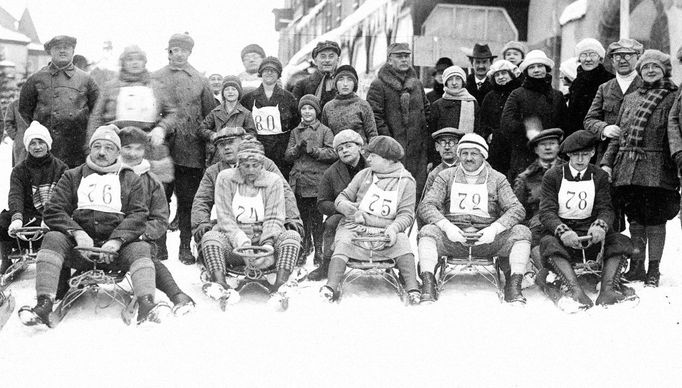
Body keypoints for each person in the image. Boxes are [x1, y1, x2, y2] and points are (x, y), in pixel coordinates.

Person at [19, 125, 165, 327]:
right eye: (97, 146)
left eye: (109, 147)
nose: (102, 152)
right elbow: (53, 210)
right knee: (53, 238)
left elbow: (138, 215)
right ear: (90, 149)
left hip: (115, 253)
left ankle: (146, 305)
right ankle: (44, 304)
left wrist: (116, 240)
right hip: (79, 252)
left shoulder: (130, 178)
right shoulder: (72, 176)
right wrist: (77, 233)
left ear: (117, 152)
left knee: (141, 248)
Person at [417, 133, 531, 304]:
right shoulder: (446, 176)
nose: (468, 158)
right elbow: (426, 205)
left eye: (474, 153)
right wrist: (447, 227)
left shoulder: (497, 179)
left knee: (522, 232)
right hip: (453, 239)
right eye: (464, 153)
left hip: (487, 240)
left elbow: (517, 209)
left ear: (483, 156)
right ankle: (428, 284)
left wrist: (495, 229)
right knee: (427, 232)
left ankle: (514, 285)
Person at [601, 50, 679, 288]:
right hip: (628, 167)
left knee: (655, 219)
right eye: (646, 68)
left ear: (665, 70)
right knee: (635, 217)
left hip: (658, 167)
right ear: (640, 71)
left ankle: (654, 269)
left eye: (656, 67)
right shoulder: (631, 97)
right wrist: (607, 162)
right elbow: (619, 133)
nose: (651, 71)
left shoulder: (673, 96)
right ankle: (637, 266)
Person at [538, 130, 635, 309]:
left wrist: (600, 226)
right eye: (575, 155)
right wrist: (563, 231)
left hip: (591, 234)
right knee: (548, 244)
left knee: (620, 240)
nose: (580, 160)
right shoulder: (553, 176)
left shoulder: (599, 176)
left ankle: (608, 290)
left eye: (585, 154)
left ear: (592, 153)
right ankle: (575, 290)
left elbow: (605, 208)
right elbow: (546, 212)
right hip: (565, 234)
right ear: (568, 155)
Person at [320, 136, 420, 305]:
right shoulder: (364, 174)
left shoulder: (406, 181)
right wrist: (346, 207)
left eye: (374, 155)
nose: (368, 158)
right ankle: (331, 286)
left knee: (402, 243)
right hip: (356, 226)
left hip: (386, 229)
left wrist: (395, 228)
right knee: (343, 241)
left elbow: (406, 214)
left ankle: (412, 288)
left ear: (388, 159)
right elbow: (342, 197)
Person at [200, 139, 301, 304]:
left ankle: (281, 284)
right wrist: (243, 243)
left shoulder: (273, 181)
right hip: (236, 243)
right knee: (210, 238)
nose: (251, 170)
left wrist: (267, 245)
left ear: (262, 164)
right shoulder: (225, 178)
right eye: (246, 165)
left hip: (265, 241)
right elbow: (225, 216)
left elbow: (274, 216)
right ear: (239, 164)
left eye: (256, 165)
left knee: (291, 237)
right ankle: (221, 284)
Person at [192, 127, 303, 265]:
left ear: (242, 141)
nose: (226, 148)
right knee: (210, 239)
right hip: (231, 227)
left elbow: (285, 193)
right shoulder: (214, 172)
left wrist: (292, 218)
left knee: (288, 237)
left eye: (231, 142)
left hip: (264, 227)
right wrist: (201, 223)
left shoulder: (264, 164)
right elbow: (201, 200)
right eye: (221, 145)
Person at [153, 33, 218, 265]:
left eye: (183, 50)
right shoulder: (156, 77)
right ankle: (158, 246)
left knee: (188, 199)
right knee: (159, 198)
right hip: (161, 149)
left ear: (190, 53)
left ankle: (184, 247)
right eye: (173, 50)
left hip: (191, 150)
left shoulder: (200, 79)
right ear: (168, 52)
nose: (178, 54)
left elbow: (210, 115)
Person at [118, 127, 195, 314]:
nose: (133, 153)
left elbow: (160, 218)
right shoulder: (108, 174)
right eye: (127, 147)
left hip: (137, 238)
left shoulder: (151, 181)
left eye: (138, 148)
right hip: (105, 236)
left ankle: (175, 295)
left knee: (144, 253)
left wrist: (139, 234)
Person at [87, 45, 177, 183]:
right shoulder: (110, 86)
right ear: (123, 62)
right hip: (116, 142)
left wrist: (161, 128)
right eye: (130, 59)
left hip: (148, 145)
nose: (135, 63)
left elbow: (172, 113)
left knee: (151, 187)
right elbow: (96, 117)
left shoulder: (156, 86)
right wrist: (92, 145)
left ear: (144, 62)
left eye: (139, 59)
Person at [19, 35, 100, 168]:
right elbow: (24, 109)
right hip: (47, 145)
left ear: (73, 51)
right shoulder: (36, 79)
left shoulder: (86, 79)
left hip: (76, 146)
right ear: (50, 52)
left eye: (66, 47)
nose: (62, 51)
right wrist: (40, 129)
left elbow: (97, 110)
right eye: (57, 48)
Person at [0, 122, 68, 275]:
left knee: (64, 226)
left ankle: (60, 263)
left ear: (48, 144)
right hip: (29, 214)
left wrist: (50, 216)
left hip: (52, 214)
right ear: (27, 147)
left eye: (41, 142)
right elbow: (15, 195)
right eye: (33, 143)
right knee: (2, 221)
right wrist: (17, 218)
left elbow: (63, 196)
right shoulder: (19, 170)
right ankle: (6, 259)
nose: (37, 147)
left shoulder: (61, 168)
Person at [367, 42, 430, 199]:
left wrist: (422, 139)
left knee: (416, 193)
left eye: (407, 56)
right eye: (399, 56)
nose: (404, 60)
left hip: (417, 151)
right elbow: (375, 117)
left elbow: (427, 111)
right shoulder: (378, 85)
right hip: (391, 152)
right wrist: (389, 144)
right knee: (392, 193)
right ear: (389, 60)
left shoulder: (417, 84)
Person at [500, 49, 568, 182]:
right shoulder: (517, 94)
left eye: (540, 66)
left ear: (546, 69)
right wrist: (530, 132)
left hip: (552, 157)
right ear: (526, 72)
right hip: (524, 158)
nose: (536, 70)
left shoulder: (557, 96)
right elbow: (507, 123)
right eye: (532, 67)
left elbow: (565, 126)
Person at [284, 95, 337, 266]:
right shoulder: (295, 132)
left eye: (310, 109)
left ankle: (319, 251)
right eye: (304, 109)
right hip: (299, 182)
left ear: (316, 111)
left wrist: (314, 150)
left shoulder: (325, 131)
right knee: (302, 217)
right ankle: (304, 248)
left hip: (317, 183)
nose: (307, 112)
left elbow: (333, 153)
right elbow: (287, 156)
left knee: (317, 218)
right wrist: (297, 149)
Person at [313, 130, 366, 281]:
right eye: (340, 149)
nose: (345, 151)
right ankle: (327, 265)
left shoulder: (374, 166)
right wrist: (341, 208)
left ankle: (398, 266)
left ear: (359, 147)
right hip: (343, 215)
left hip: (374, 213)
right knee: (330, 223)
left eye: (348, 146)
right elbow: (322, 202)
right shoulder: (331, 172)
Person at [584, 38, 644, 164]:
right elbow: (589, 120)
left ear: (638, 58)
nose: (622, 60)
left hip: (637, 156)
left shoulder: (645, 85)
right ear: (611, 61)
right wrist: (604, 129)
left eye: (628, 56)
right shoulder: (605, 88)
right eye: (617, 56)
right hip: (607, 157)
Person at [241, 56, 299, 181]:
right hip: (257, 146)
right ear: (260, 73)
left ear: (278, 75)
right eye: (266, 70)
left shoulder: (289, 98)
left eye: (273, 70)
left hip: (281, 149)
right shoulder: (248, 98)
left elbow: (296, 124)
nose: (269, 73)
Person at [513, 128, 564, 266]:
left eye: (552, 143)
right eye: (543, 144)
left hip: (569, 217)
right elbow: (517, 210)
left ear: (559, 146)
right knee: (535, 236)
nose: (548, 147)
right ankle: (545, 273)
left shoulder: (570, 171)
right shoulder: (525, 178)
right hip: (538, 223)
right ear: (536, 150)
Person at [199, 75, 256, 166]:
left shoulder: (245, 113)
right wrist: (214, 135)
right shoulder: (215, 112)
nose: (230, 92)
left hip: (238, 155)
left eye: (233, 89)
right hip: (218, 155)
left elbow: (252, 134)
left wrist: (240, 134)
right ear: (223, 93)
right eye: (226, 89)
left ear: (239, 92)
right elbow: (202, 129)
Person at [428, 65, 479, 165]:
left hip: (467, 157)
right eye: (450, 79)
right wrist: (432, 159)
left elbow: (478, 131)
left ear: (463, 82)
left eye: (458, 79)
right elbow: (431, 134)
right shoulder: (437, 105)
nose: (454, 83)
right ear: (445, 82)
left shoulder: (472, 103)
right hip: (442, 157)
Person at [480, 60, 522, 173]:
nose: (500, 77)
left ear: (511, 74)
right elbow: (483, 120)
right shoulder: (490, 97)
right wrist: (488, 134)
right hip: (496, 146)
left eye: (504, 73)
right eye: (497, 75)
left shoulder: (519, 93)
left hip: (516, 144)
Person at [566, 38, 614, 135]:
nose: (588, 59)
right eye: (584, 55)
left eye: (592, 55)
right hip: (577, 137)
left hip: (601, 135)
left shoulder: (610, 80)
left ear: (600, 59)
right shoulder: (576, 83)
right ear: (579, 59)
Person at [320, 65, 377, 142]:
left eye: (349, 80)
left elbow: (372, 135)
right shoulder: (328, 107)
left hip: (360, 152)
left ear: (355, 84)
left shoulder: (363, 105)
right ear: (336, 83)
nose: (345, 84)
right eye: (341, 79)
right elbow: (325, 137)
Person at [293, 40, 341, 109]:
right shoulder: (302, 85)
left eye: (331, 56)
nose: (327, 60)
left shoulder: (344, 83)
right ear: (315, 61)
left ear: (337, 60)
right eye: (323, 56)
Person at [3, 86, 29, 166]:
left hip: (35, 140)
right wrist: (15, 136)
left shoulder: (36, 104)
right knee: (20, 167)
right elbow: (8, 123)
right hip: (20, 142)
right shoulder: (13, 105)